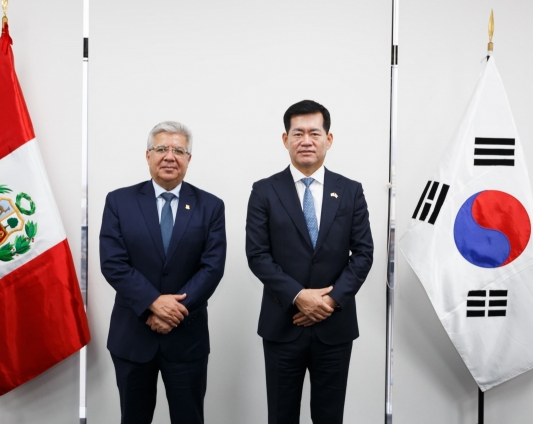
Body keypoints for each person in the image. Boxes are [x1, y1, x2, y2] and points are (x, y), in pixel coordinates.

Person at [246, 100, 374, 423]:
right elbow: (258, 255)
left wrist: (329, 301)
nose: (306, 140)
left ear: (328, 139)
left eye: (314, 133)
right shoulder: (263, 192)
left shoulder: (351, 192)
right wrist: (299, 297)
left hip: (335, 328)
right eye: (298, 133)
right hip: (282, 324)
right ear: (285, 139)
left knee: (329, 418)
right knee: (281, 416)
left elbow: (363, 253)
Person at [100, 121, 227, 424]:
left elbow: (212, 267)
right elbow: (113, 263)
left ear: (188, 159)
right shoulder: (119, 201)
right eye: (161, 149)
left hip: (187, 338)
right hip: (132, 335)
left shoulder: (210, 206)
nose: (170, 156)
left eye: (178, 150)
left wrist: (174, 309)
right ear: (147, 155)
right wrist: (153, 303)